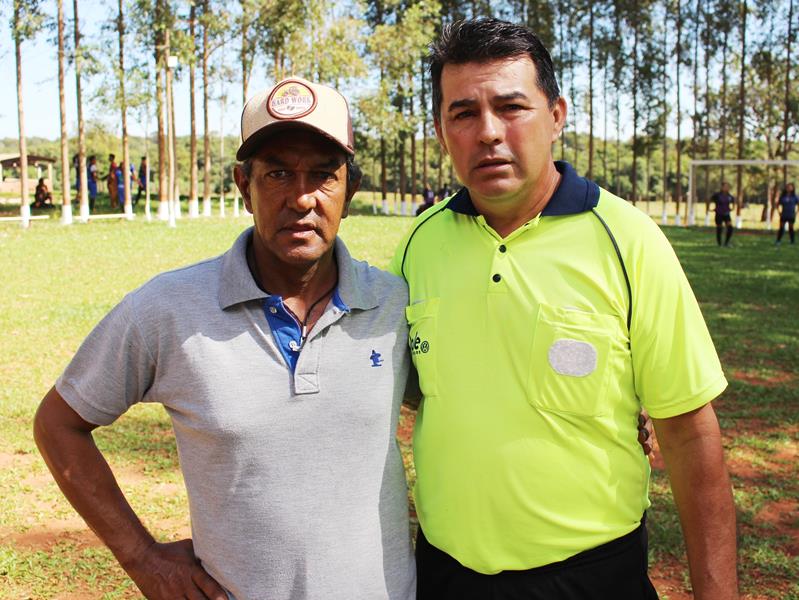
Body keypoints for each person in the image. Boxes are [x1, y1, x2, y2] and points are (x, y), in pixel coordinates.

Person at [391, 19, 738, 600]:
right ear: (441, 130)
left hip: (591, 578)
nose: (489, 133)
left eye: (511, 107)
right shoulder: (418, 244)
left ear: (556, 116)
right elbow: (415, 383)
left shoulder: (628, 240)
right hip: (446, 573)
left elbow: (689, 438)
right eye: (464, 113)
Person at [33, 77, 416, 600]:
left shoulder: (396, 304)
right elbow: (59, 424)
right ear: (244, 186)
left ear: (349, 192)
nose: (301, 197)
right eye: (277, 173)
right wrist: (142, 558)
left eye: (323, 175)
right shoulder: (168, 309)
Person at [711, 181, 735, 246]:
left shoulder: (729, 196)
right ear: (722, 187)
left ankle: (726, 243)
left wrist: (733, 208)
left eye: (727, 187)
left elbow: (733, 201)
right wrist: (710, 209)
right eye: (725, 186)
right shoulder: (717, 195)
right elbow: (709, 200)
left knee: (730, 228)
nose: (726, 188)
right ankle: (719, 244)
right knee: (719, 228)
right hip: (719, 214)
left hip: (726, 214)